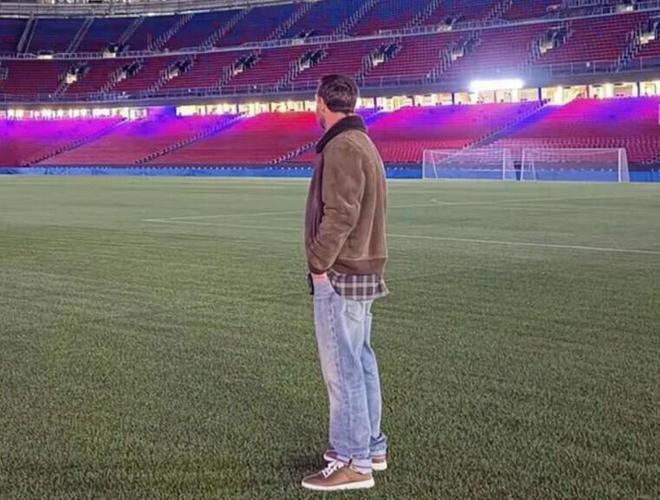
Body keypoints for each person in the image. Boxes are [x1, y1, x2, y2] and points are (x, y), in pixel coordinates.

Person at [301, 74, 389, 492]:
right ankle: (370, 446)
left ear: (321, 102)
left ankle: (354, 461)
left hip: (342, 272)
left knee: (343, 368)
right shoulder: (361, 141)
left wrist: (318, 262)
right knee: (360, 360)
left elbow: (341, 213)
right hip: (362, 269)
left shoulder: (342, 146)